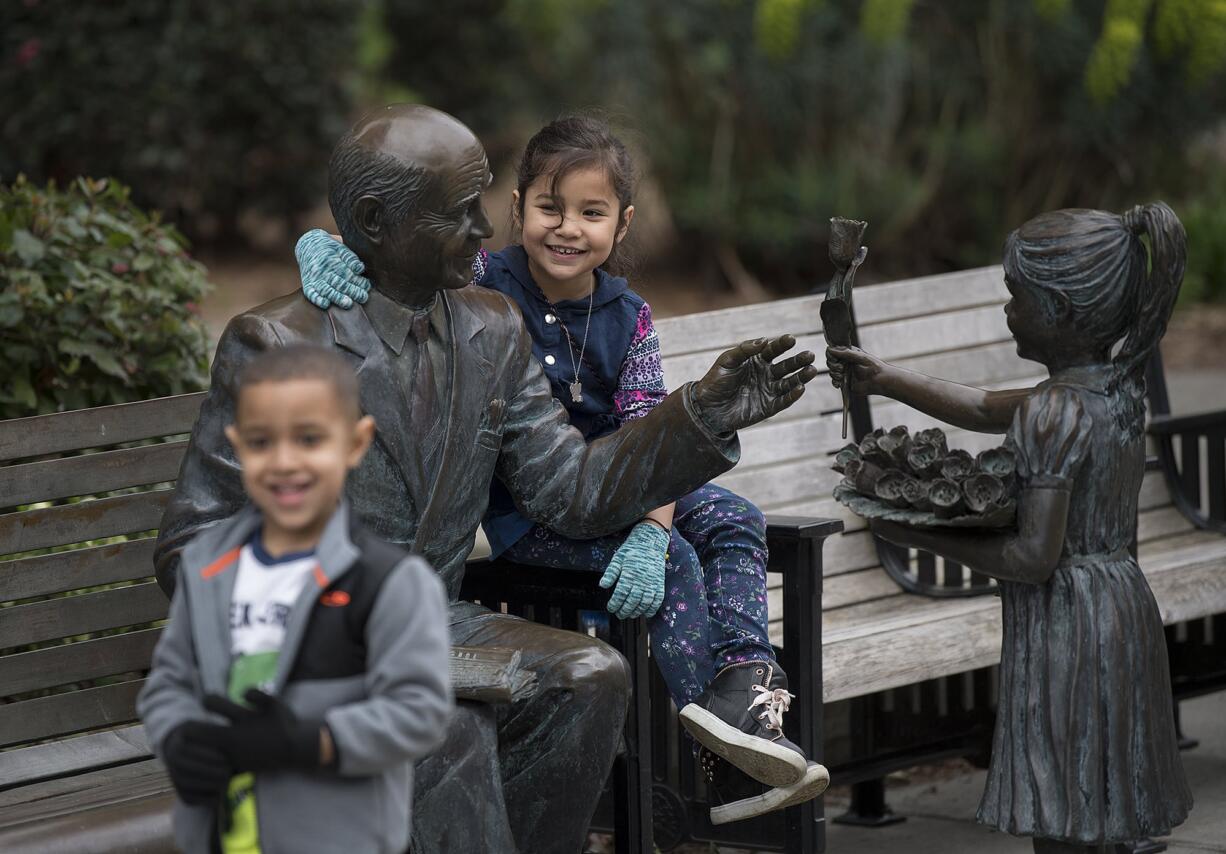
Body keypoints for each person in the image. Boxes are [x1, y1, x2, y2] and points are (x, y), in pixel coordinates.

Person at [155, 104, 818, 854]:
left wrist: (696, 416)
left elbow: (569, 490)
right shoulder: (276, 343)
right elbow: (191, 545)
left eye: (481, 204)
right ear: (375, 222)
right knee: (448, 721)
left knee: (591, 675)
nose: (481, 228)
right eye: (458, 212)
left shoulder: (492, 327)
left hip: (437, 621)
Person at [827, 203, 1193, 853]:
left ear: (1058, 311)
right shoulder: (1115, 387)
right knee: (1102, 802)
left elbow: (1030, 557)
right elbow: (979, 405)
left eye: (1015, 298)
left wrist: (916, 532)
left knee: (1061, 810)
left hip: (1066, 628)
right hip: (1120, 606)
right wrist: (884, 378)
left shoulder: (1051, 414)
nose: (1007, 311)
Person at [138, 344, 452, 854]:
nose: (285, 463)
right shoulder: (208, 566)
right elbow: (170, 682)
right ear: (237, 446)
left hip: (334, 835)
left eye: (309, 439)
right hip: (221, 833)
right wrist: (176, 739)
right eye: (262, 442)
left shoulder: (389, 581)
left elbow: (419, 711)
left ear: (354, 443)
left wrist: (312, 740)